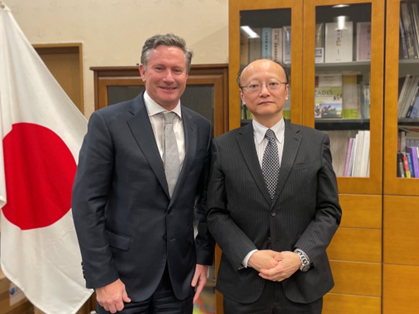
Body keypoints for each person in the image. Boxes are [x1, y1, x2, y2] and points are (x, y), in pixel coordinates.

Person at [72, 33, 214, 314]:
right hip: (122, 280)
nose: (169, 78)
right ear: (142, 71)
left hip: (178, 280)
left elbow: (206, 201)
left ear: (187, 74)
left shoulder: (202, 127)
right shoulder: (108, 122)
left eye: (177, 70)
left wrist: (203, 258)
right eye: (159, 68)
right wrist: (103, 278)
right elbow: (87, 204)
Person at [206, 59, 342, 314]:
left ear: (286, 91)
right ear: (242, 95)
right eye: (254, 85)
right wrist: (250, 255)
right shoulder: (222, 147)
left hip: (302, 282)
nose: (264, 91)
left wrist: (300, 257)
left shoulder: (315, 142)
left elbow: (329, 210)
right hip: (244, 283)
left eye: (272, 84)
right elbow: (215, 213)